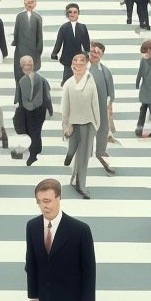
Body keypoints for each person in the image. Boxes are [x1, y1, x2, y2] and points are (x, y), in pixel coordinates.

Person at [61, 52, 100, 199]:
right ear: (72, 66)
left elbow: (95, 104)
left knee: (83, 155)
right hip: (73, 123)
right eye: (75, 65)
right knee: (73, 150)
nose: (78, 67)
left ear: (86, 66)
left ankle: (81, 185)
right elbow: (65, 107)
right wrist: (66, 125)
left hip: (88, 123)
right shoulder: (68, 83)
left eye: (81, 64)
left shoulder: (91, 82)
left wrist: (97, 124)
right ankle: (73, 170)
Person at [15, 55, 53, 167]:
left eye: (29, 64)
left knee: (33, 132)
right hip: (38, 109)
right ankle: (36, 149)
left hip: (32, 110)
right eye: (25, 65)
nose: (27, 67)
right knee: (35, 131)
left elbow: (28, 99)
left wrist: (29, 107)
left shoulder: (25, 80)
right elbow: (47, 94)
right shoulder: (39, 78)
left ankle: (33, 154)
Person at [87, 41, 116, 176]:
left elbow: (111, 92)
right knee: (87, 133)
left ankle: (101, 153)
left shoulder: (105, 70)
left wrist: (108, 105)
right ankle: (86, 155)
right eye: (93, 52)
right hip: (86, 109)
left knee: (103, 131)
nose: (95, 55)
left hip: (102, 108)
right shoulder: (84, 69)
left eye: (98, 53)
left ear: (102, 55)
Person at [50, 2, 90, 83]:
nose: (72, 14)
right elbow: (59, 42)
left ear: (78, 13)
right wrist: (54, 53)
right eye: (70, 12)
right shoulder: (64, 27)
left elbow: (86, 41)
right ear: (67, 14)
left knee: (78, 75)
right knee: (67, 76)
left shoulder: (82, 27)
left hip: (79, 55)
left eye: (75, 12)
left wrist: (87, 52)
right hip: (67, 56)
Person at [12, 0, 43, 83]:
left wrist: (38, 52)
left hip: (33, 51)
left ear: (35, 3)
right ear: (24, 3)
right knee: (19, 78)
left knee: (31, 79)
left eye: (32, 2)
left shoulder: (38, 18)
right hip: (20, 51)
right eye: (28, 2)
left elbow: (39, 37)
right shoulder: (19, 16)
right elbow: (16, 34)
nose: (29, 4)